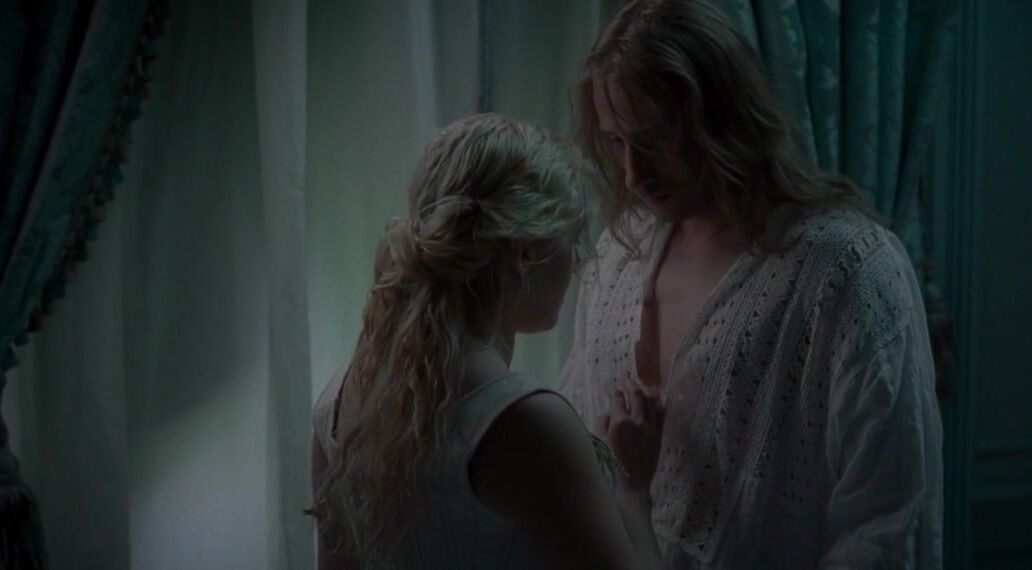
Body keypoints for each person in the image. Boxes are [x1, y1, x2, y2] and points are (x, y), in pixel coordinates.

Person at [558, 1, 944, 568]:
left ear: (723, 119)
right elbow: (576, 443)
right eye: (616, 142)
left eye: (656, 139)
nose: (634, 174)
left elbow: (886, 523)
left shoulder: (849, 269)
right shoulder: (619, 253)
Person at [307, 113, 670, 569]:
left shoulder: (338, 400)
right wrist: (633, 490)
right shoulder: (527, 422)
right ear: (524, 254)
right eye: (571, 240)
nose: (578, 262)